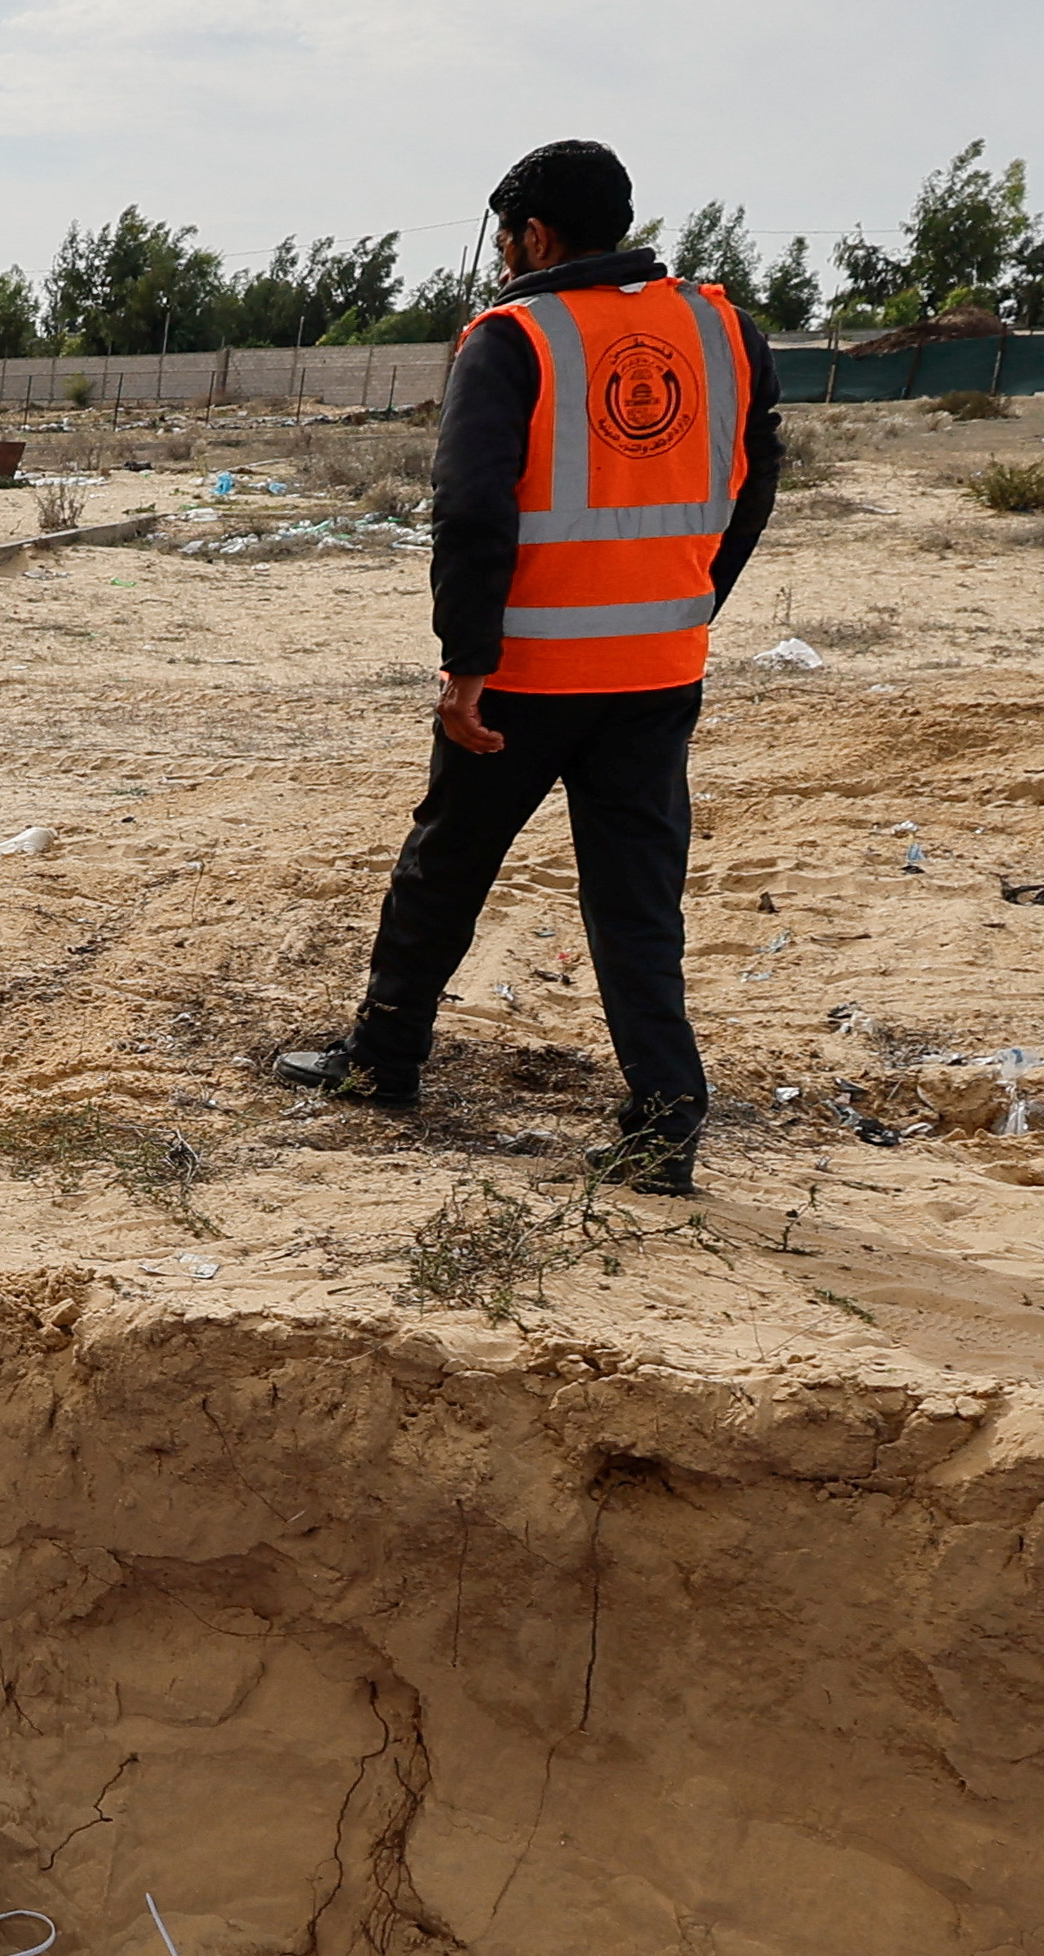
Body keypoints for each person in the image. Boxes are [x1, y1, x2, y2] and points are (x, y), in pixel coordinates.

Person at [285, 141, 780, 1195]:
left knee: (446, 867)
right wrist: (692, 598)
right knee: (638, 900)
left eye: (504, 240)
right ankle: (664, 1126)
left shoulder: (516, 337)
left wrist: (465, 664)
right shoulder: (723, 329)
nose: (502, 260)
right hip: (658, 671)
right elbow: (756, 481)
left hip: (526, 678)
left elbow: (471, 509)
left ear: (535, 237)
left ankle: (382, 1063)